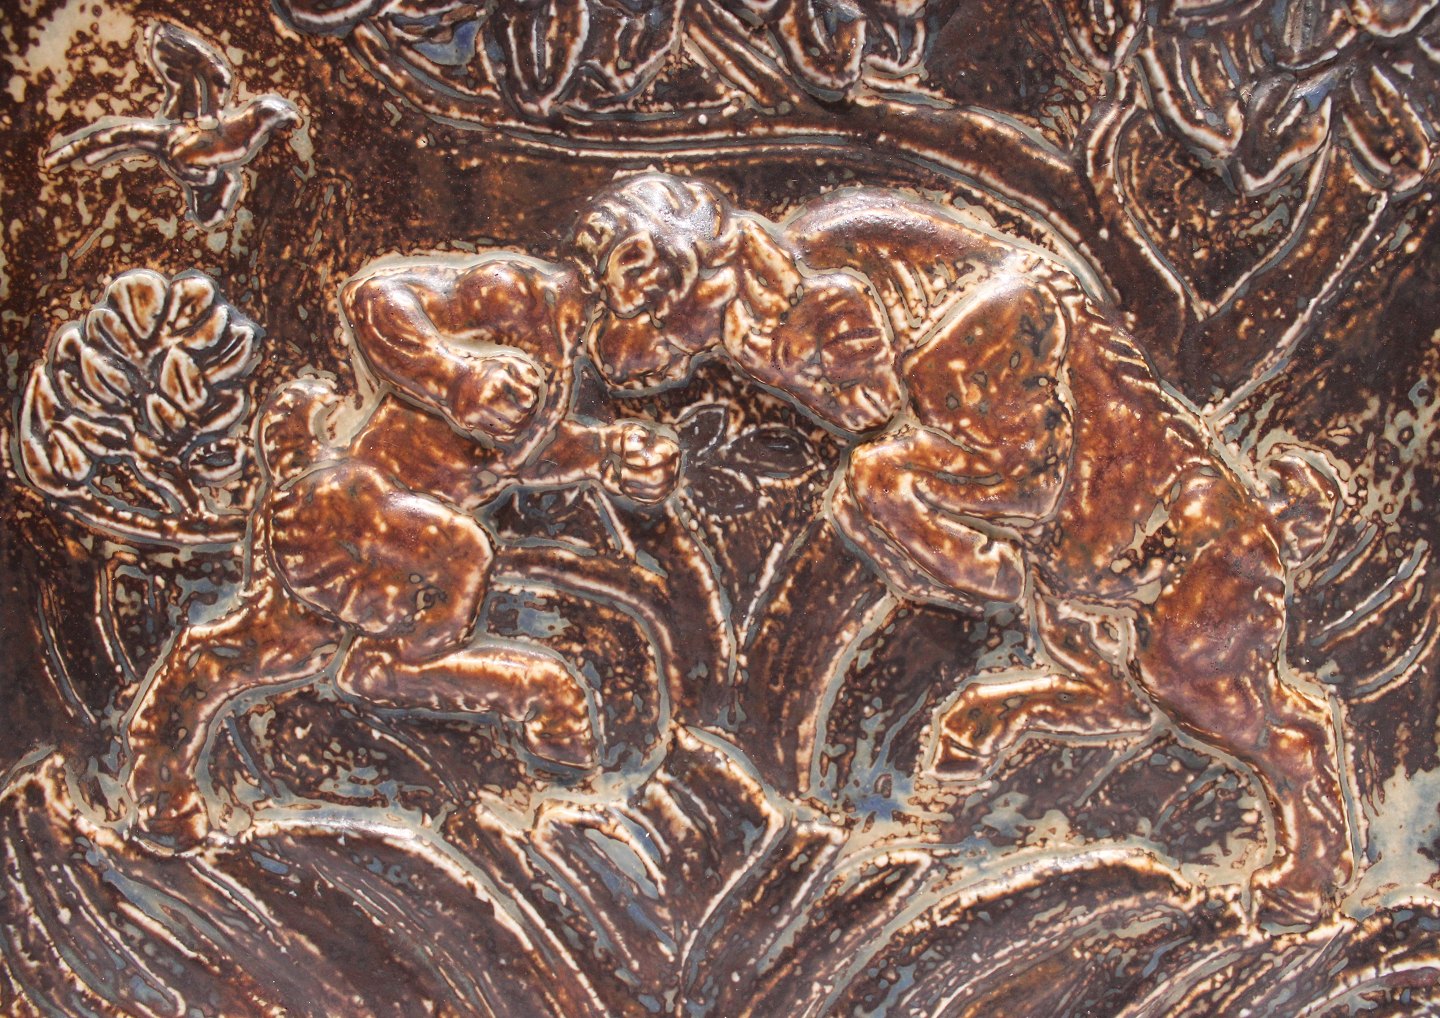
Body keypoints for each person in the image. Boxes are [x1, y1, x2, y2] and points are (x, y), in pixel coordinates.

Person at [570, 172, 1350, 925]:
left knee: (1213, 696)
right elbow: (639, 355)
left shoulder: (971, 325)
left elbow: (1029, 480)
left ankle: (1318, 856)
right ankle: (949, 801)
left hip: (1178, 539)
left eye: (660, 308)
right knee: (1004, 686)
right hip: (1085, 571)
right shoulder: (809, 299)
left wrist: (922, 517)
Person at [123, 252, 680, 849]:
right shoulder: (513, 296)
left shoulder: (561, 357)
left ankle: (159, 781)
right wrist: (453, 374)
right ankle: (400, 667)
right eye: (672, 339)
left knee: (273, 649)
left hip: (346, 520)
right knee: (462, 551)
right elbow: (373, 297)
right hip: (353, 510)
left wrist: (607, 453)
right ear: (632, 279)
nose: (670, 365)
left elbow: (506, 458)